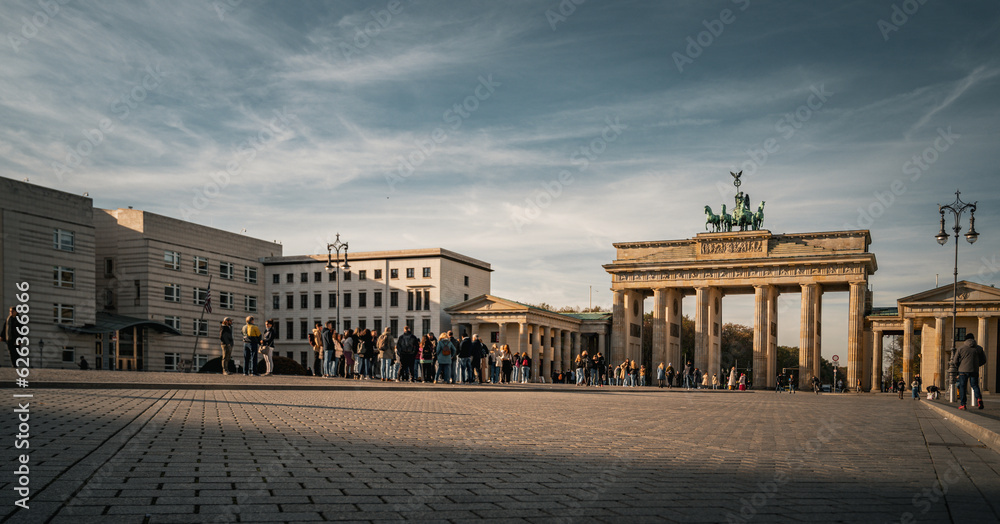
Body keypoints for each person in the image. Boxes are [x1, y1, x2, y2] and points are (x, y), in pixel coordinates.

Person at [953, 333, 987, 410]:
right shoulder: (979, 348)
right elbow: (984, 360)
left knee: (962, 387)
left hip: (963, 371)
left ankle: (963, 404)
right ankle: (979, 399)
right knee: (975, 385)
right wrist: (977, 365)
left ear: (965, 339)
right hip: (974, 370)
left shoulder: (961, 348)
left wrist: (959, 366)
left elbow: (955, 360)